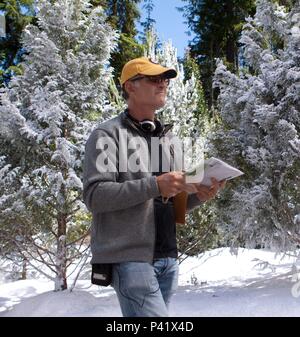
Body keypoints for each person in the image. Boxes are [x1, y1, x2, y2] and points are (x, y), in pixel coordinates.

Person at [83, 57, 225, 317]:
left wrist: (199, 195)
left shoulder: (167, 139)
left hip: (167, 258)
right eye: (154, 78)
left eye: (165, 79)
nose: (163, 84)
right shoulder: (108, 134)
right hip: (131, 259)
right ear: (130, 87)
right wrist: (156, 184)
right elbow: (95, 196)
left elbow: (168, 201)